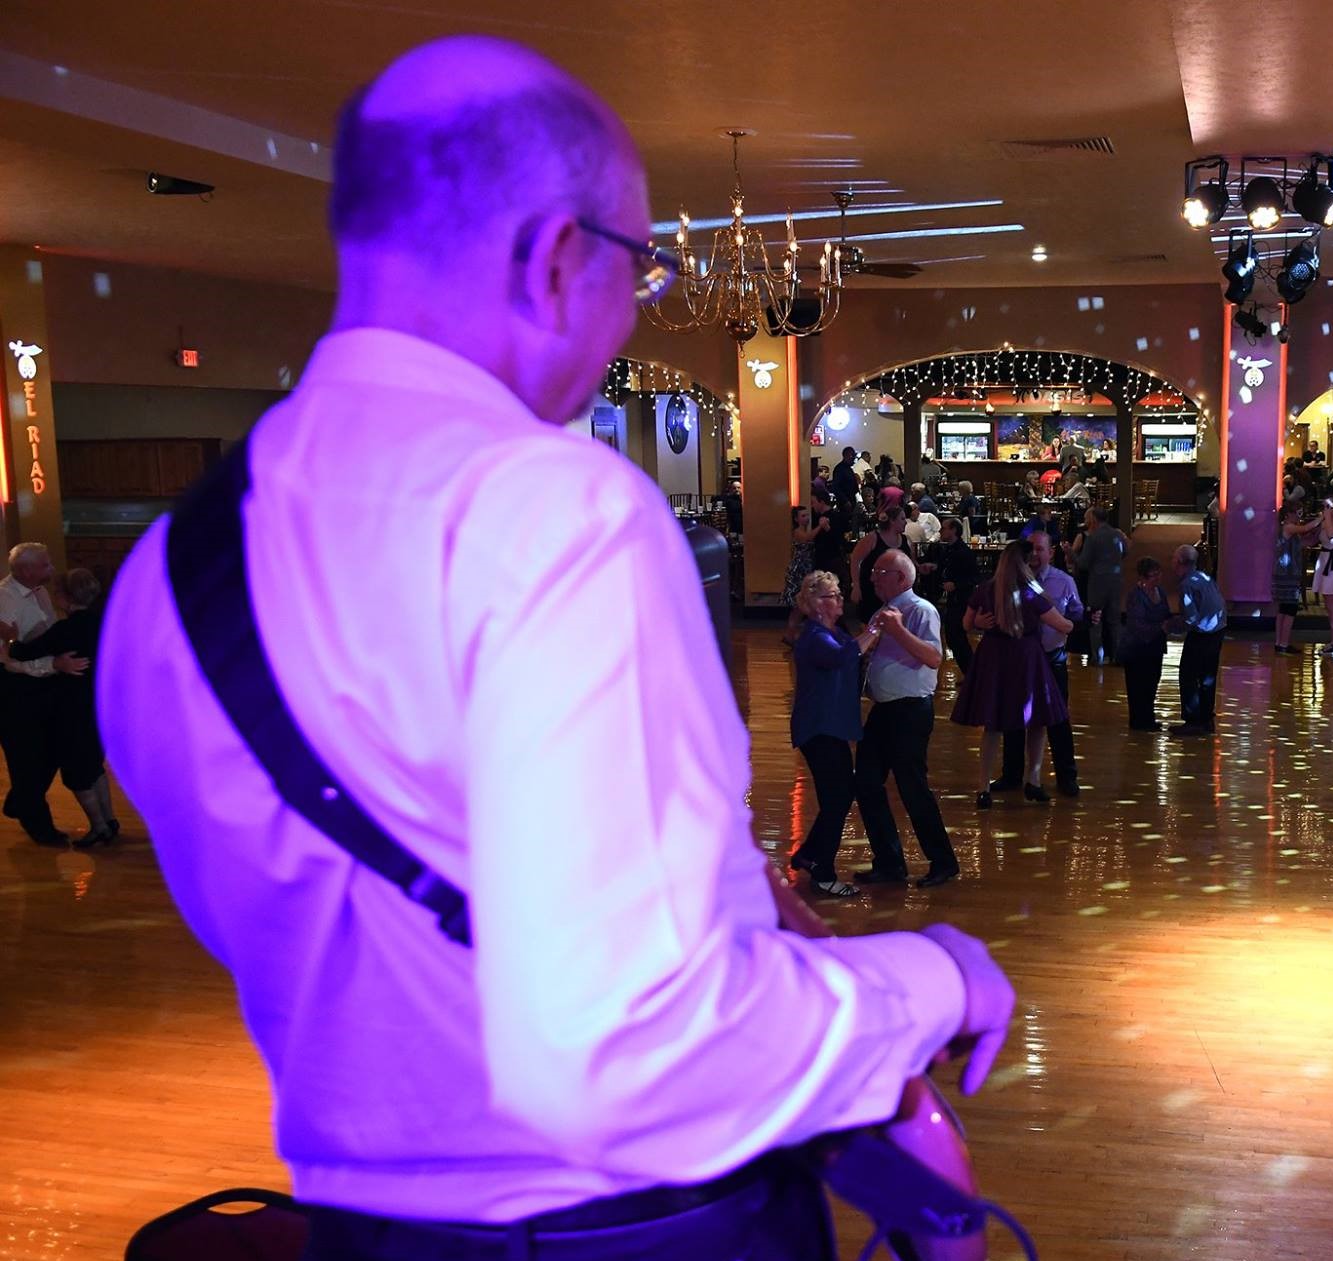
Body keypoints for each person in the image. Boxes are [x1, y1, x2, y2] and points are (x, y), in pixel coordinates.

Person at [97, 38, 1012, 1261]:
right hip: (631, 1231)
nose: (635, 302)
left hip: (360, 1229)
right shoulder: (548, 509)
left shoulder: (164, 573)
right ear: (554, 259)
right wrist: (937, 978)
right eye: (641, 266)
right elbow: (624, 1051)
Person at [853, 551, 961, 888]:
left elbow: (933, 657)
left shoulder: (920, 610)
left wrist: (897, 630)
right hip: (884, 710)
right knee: (866, 782)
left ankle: (943, 862)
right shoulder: (882, 612)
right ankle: (889, 863)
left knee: (912, 787)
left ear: (901, 578)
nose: (873, 577)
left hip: (910, 711)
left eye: (879, 572)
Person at [952, 539, 1073, 808]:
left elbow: (966, 624)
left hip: (993, 656)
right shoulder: (1030, 592)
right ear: (1024, 563)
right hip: (1026, 657)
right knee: (1037, 720)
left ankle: (983, 787)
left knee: (993, 724)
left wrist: (980, 623)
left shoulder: (986, 589)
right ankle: (1034, 780)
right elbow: (1062, 625)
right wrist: (1076, 622)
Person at [1, 567, 117, 844]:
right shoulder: (107, 622)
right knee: (94, 767)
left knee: (77, 775)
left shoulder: (65, 630)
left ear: (65, 598)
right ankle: (110, 821)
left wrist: (11, 638)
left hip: (75, 710)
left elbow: (22, 652)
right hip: (102, 705)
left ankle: (99, 828)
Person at [788, 572, 881, 899]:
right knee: (837, 798)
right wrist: (874, 630)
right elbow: (844, 656)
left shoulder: (834, 632)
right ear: (817, 605)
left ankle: (809, 855)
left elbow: (852, 652)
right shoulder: (814, 637)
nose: (840, 599)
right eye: (833, 595)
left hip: (831, 726)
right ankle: (823, 872)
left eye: (839, 593)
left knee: (839, 796)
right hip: (819, 728)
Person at [0, 543, 88, 846]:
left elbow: (46, 636)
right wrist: (53, 664)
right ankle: (39, 825)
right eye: (45, 565)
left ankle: (21, 801)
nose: (52, 569)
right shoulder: (4, 599)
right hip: (15, 689)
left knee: (52, 751)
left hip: (44, 685)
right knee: (25, 758)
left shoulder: (40, 593)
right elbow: (7, 658)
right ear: (26, 570)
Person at [993, 527, 1084, 797]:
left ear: (1050, 552)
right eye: (1029, 549)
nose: (1033, 554)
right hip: (1018, 659)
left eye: (1039, 549)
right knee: (1014, 716)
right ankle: (1012, 775)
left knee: (1057, 718)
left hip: (1051, 658)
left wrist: (1079, 621)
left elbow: (1076, 613)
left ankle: (1066, 776)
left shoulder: (1063, 581)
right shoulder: (1010, 582)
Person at [1166, 545, 1226, 735]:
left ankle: (1193, 720)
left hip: (1202, 635)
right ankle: (1206, 719)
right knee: (1208, 678)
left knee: (1188, 676)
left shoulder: (1187, 585)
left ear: (1180, 563)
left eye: (1173, 559)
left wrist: (1170, 626)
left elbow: (1190, 618)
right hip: (1217, 632)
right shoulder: (1205, 577)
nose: (1171, 563)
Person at [1073, 505, 1127, 665]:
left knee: (1095, 620)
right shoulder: (1117, 534)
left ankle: (1098, 657)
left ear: (1094, 519)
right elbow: (1125, 552)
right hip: (1116, 581)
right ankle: (1118, 656)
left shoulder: (1093, 537)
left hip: (1097, 582)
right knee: (1114, 621)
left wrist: (1072, 555)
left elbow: (1083, 563)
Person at [928, 517, 981, 676]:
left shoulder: (964, 552)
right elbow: (945, 568)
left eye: (944, 528)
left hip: (961, 600)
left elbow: (975, 578)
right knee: (954, 638)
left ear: (954, 530)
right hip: (952, 600)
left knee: (956, 637)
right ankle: (971, 674)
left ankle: (972, 674)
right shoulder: (948, 550)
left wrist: (956, 585)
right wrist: (934, 567)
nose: (940, 531)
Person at [1122, 558, 1168, 731]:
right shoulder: (1136, 595)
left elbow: (1165, 613)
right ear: (1142, 577)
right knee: (1138, 685)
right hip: (1137, 648)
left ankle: (1148, 717)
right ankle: (1139, 721)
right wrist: (1160, 627)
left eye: (1158, 574)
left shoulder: (1160, 591)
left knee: (1152, 683)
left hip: (1155, 646)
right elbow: (1135, 624)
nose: (1157, 578)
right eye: (1152, 575)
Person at [849, 503, 914, 624]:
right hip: (872, 591)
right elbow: (855, 559)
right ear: (892, 521)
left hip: (897, 594)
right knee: (870, 624)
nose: (905, 522)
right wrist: (856, 586)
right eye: (902, 519)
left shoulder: (907, 541)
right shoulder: (873, 538)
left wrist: (922, 567)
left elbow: (911, 565)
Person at [1273, 504, 1320, 654]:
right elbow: (1305, 528)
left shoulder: (1290, 531)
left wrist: (1318, 532)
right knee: (1290, 608)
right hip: (1287, 573)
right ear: (1288, 515)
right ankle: (1283, 644)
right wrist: (1321, 518)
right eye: (1296, 513)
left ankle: (1279, 643)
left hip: (1285, 572)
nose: (1298, 516)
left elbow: (1308, 541)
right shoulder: (1287, 527)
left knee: (1284, 609)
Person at [1309, 499, 1333, 659]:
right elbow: (1314, 538)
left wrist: (1326, 518)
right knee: (1328, 604)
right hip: (1325, 560)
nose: (1325, 509)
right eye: (1324, 506)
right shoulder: (1323, 521)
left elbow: (1332, 536)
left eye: (1328, 507)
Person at [781, 504, 823, 630]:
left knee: (801, 605)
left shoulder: (804, 530)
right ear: (796, 519)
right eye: (803, 516)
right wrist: (820, 526)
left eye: (807, 515)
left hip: (805, 568)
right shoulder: (797, 532)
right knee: (798, 605)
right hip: (799, 570)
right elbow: (807, 538)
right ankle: (791, 633)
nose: (807, 518)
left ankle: (794, 633)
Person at [831, 444, 860, 509]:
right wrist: (845, 501)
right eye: (853, 456)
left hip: (851, 500)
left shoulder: (849, 468)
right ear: (847, 456)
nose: (854, 458)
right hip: (845, 503)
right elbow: (836, 487)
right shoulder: (840, 469)